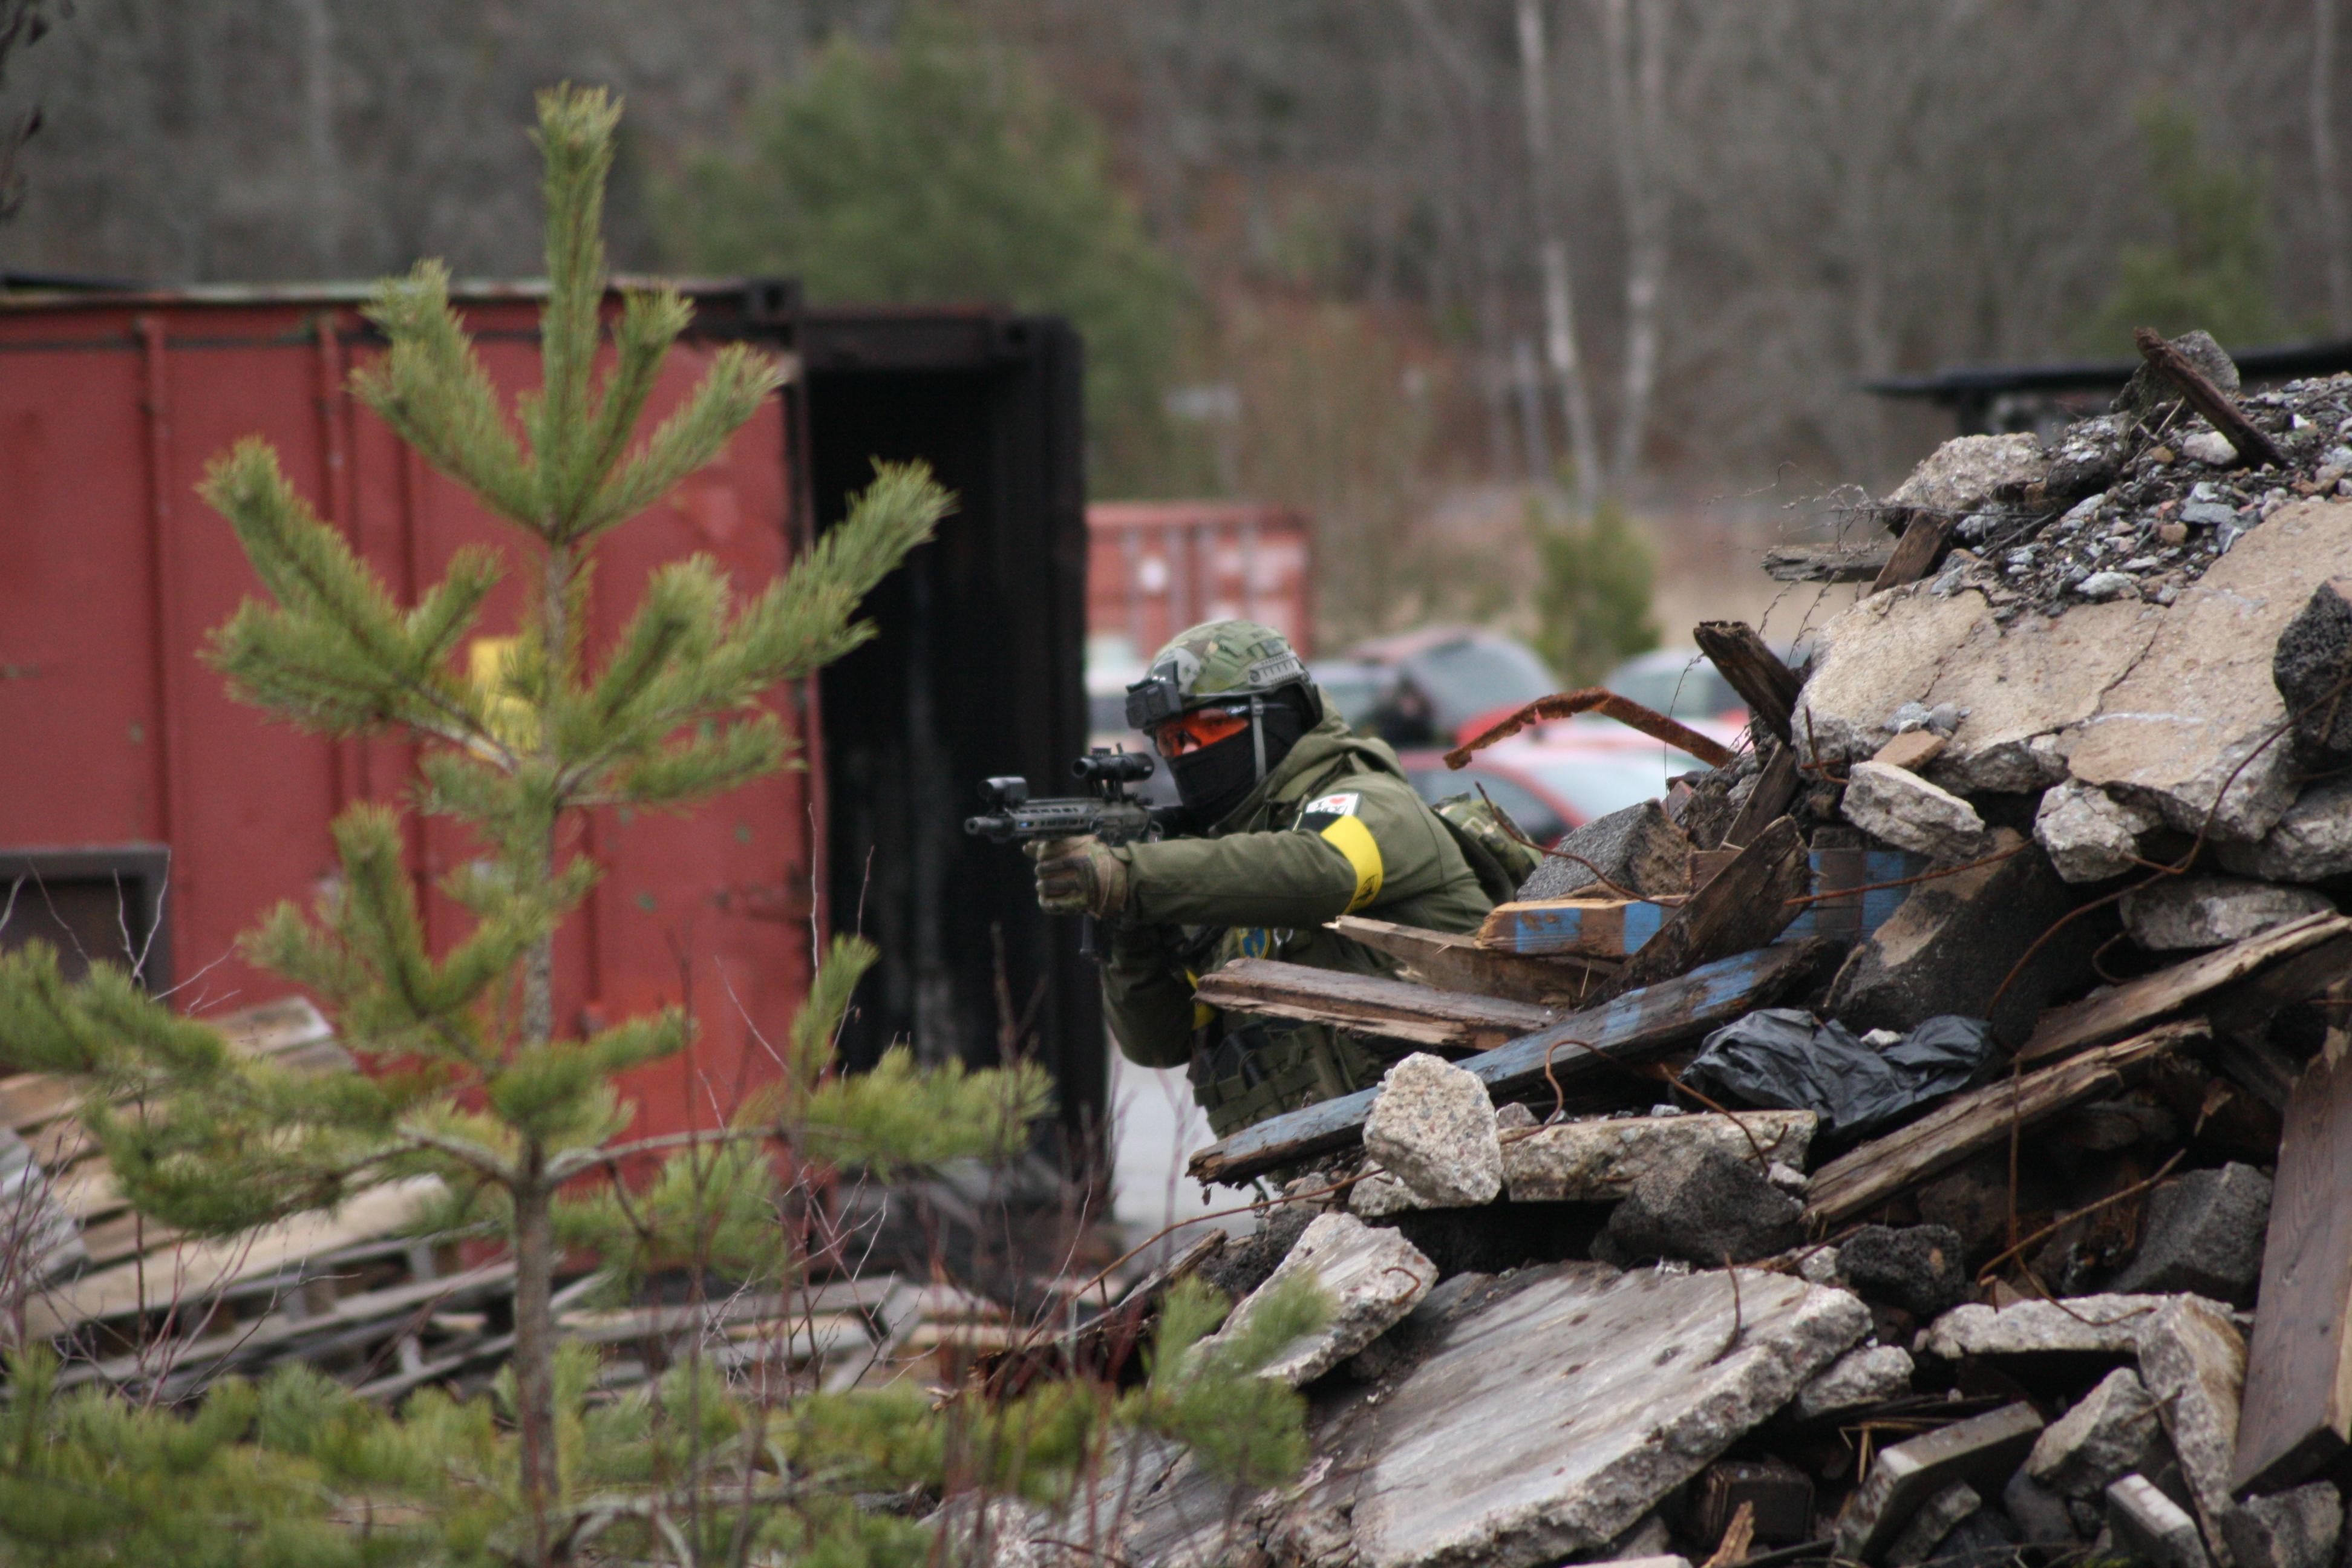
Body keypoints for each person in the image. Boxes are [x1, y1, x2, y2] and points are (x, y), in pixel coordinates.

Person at [1030, 620, 1497, 1138]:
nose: (1186, 755)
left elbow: (1320, 873)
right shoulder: (1224, 874)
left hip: (1470, 1138)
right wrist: (1126, 920)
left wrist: (1129, 875)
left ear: (1278, 715)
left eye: (1206, 730)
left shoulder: (1369, 801)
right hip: (1329, 1170)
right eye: (1170, 741)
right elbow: (1158, 1042)